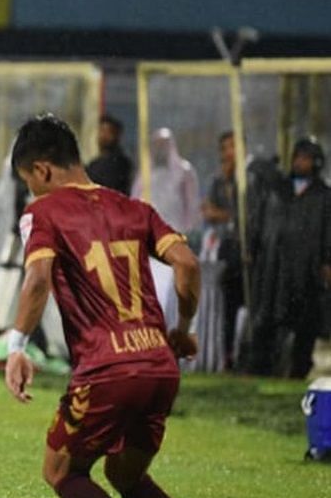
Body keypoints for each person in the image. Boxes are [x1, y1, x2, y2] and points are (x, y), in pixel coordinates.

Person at [3, 114, 215, 498]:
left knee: (61, 471)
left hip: (107, 369)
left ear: (43, 170)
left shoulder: (46, 213)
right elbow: (186, 263)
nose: (32, 194)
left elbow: (36, 281)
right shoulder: (133, 207)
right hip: (159, 366)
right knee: (126, 474)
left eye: (29, 183)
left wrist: (16, 347)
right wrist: (183, 329)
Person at [246, 137, 331, 378]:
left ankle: (298, 369)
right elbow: (259, 221)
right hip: (274, 266)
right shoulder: (278, 190)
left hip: (306, 269)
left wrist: (327, 261)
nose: (299, 162)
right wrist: (252, 247)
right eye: (297, 156)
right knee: (267, 318)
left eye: (305, 158)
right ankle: (260, 367)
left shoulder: (323, 196)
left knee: (305, 321)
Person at [134, 128, 200, 329]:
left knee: (178, 290)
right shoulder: (144, 174)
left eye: (164, 145)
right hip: (148, 241)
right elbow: (134, 203)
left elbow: (191, 206)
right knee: (153, 289)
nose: (160, 150)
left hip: (175, 239)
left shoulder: (184, 172)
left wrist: (187, 235)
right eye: (157, 145)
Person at [197, 131, 242, 371]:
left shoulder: (248, 181)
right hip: (222, 251)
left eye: (232, 147)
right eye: (224, 148)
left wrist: (223, 214)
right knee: (224, 306)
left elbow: (242, 215)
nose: (228, 153)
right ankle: (222, 355)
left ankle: (239, 353)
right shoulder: (217, 181)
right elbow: (207, 211)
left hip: (244, 251)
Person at [85, 113, 134, 196]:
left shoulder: (119, 163)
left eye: (108, 132)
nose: (104, 136)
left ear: (116, 135)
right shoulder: (95, 164)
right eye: (102, 131)